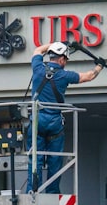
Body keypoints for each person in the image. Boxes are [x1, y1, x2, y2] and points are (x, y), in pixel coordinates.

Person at [27, 41, 102, 194]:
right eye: (65, 60)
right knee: (55, 158)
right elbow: (88, 77)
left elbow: (37, 50)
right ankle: (53, 192)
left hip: (37, 120)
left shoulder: (38, 67)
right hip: (54, 121)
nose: (65, 63)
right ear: (61, 59)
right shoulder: (64, 75)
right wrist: (99, 66)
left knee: (35, 157)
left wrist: (53, 44)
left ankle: (33, 190)